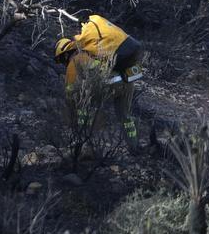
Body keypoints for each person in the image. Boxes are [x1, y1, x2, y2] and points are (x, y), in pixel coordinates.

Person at [54, 14, 144, 151]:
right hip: (126, 81)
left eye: (61, 60)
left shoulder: (76, 60)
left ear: (66, 54)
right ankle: (135, 146)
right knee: (125, 116)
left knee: (84, 107)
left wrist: (70, 111)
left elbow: (70, 92)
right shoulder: (95, 51)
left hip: (110, 85)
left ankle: (85, 142)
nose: (63, 64)